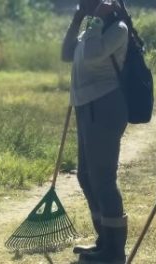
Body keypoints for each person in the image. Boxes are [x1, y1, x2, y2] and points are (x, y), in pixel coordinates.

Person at [61, 0, 128, 263]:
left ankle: (114, 251)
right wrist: (79, 18)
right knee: (86, 176)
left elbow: (90, 55)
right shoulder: (89, 28)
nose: (85, 4)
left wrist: (97, 21)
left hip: (106, 105)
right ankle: (104, 241)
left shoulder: (117, 29)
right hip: (86, 106)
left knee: (103, 179)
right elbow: (68, 53)